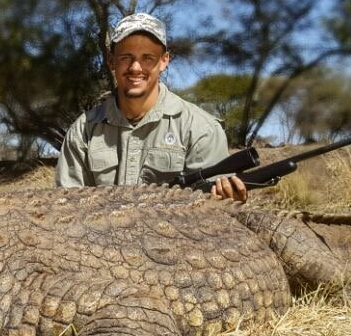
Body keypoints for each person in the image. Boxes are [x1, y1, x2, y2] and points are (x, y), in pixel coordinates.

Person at [55, 13, 249, 201]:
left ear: (164, 61)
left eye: (147, 57)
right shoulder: (83, 131)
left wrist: (227, 197)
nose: (135, 68)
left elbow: (213, 213)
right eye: (126, 57)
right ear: (111, 61)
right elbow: (68, 206)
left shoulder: (202, 129)